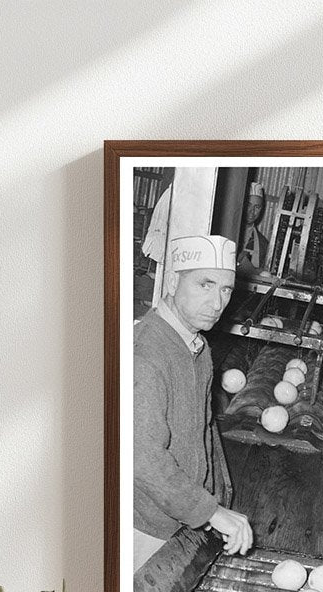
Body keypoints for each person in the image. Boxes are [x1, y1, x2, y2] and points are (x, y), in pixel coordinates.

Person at [133, 234, 253, 571]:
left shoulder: (196, 347)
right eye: (205, 284)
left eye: (226, 290)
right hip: (139, 525)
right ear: (172, 281)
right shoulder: (146, 354)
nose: (217, 302)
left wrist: (219, 497)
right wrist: (211, 511)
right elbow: (141, 457)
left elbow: (204, 429)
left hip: (178, 517)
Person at [238, 182, 269, 270]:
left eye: (257, 207)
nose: (252, 211)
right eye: (248, 205)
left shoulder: (263, 244)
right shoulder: (225, 231)